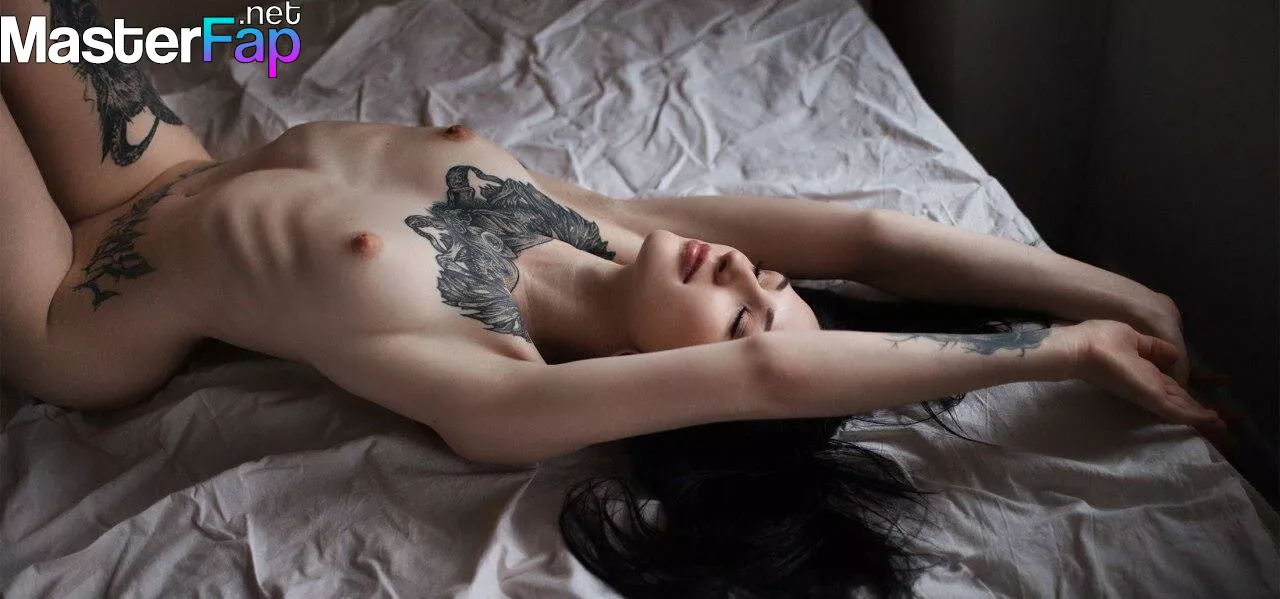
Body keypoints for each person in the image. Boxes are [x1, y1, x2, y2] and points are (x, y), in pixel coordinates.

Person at [0, 0, 1224, 595]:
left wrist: (1059, 349)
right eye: (770, 284)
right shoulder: (612, 223)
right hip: (160, 166)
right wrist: (1118, 287)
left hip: (78, 313)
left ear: (686, 386)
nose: (744, 274)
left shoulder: (494, 387)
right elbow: (868, 236)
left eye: (740, 316)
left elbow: (773, 371)